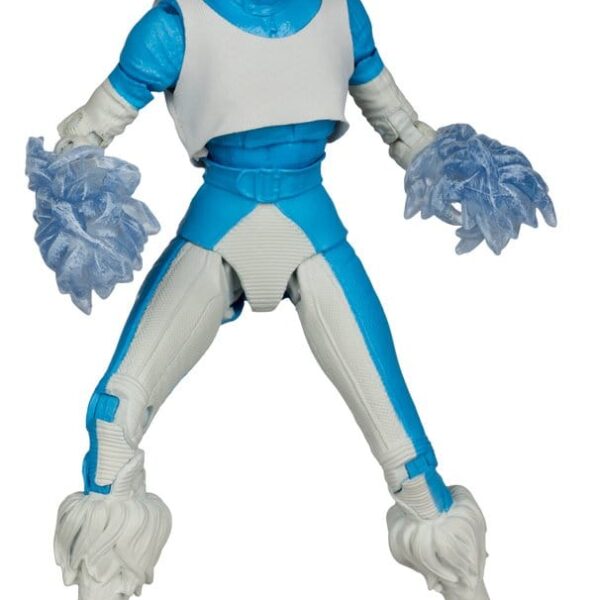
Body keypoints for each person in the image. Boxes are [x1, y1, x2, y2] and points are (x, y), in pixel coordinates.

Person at [53, 1, 489, 599]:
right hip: (218, 226)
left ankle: (465, 584)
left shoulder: (341, 14)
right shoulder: (174, 27)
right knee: (114, 419)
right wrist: (77, 199)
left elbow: (404, 128)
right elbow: (83, 137)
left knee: (407, 456)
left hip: (310, 228)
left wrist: (469, 176)